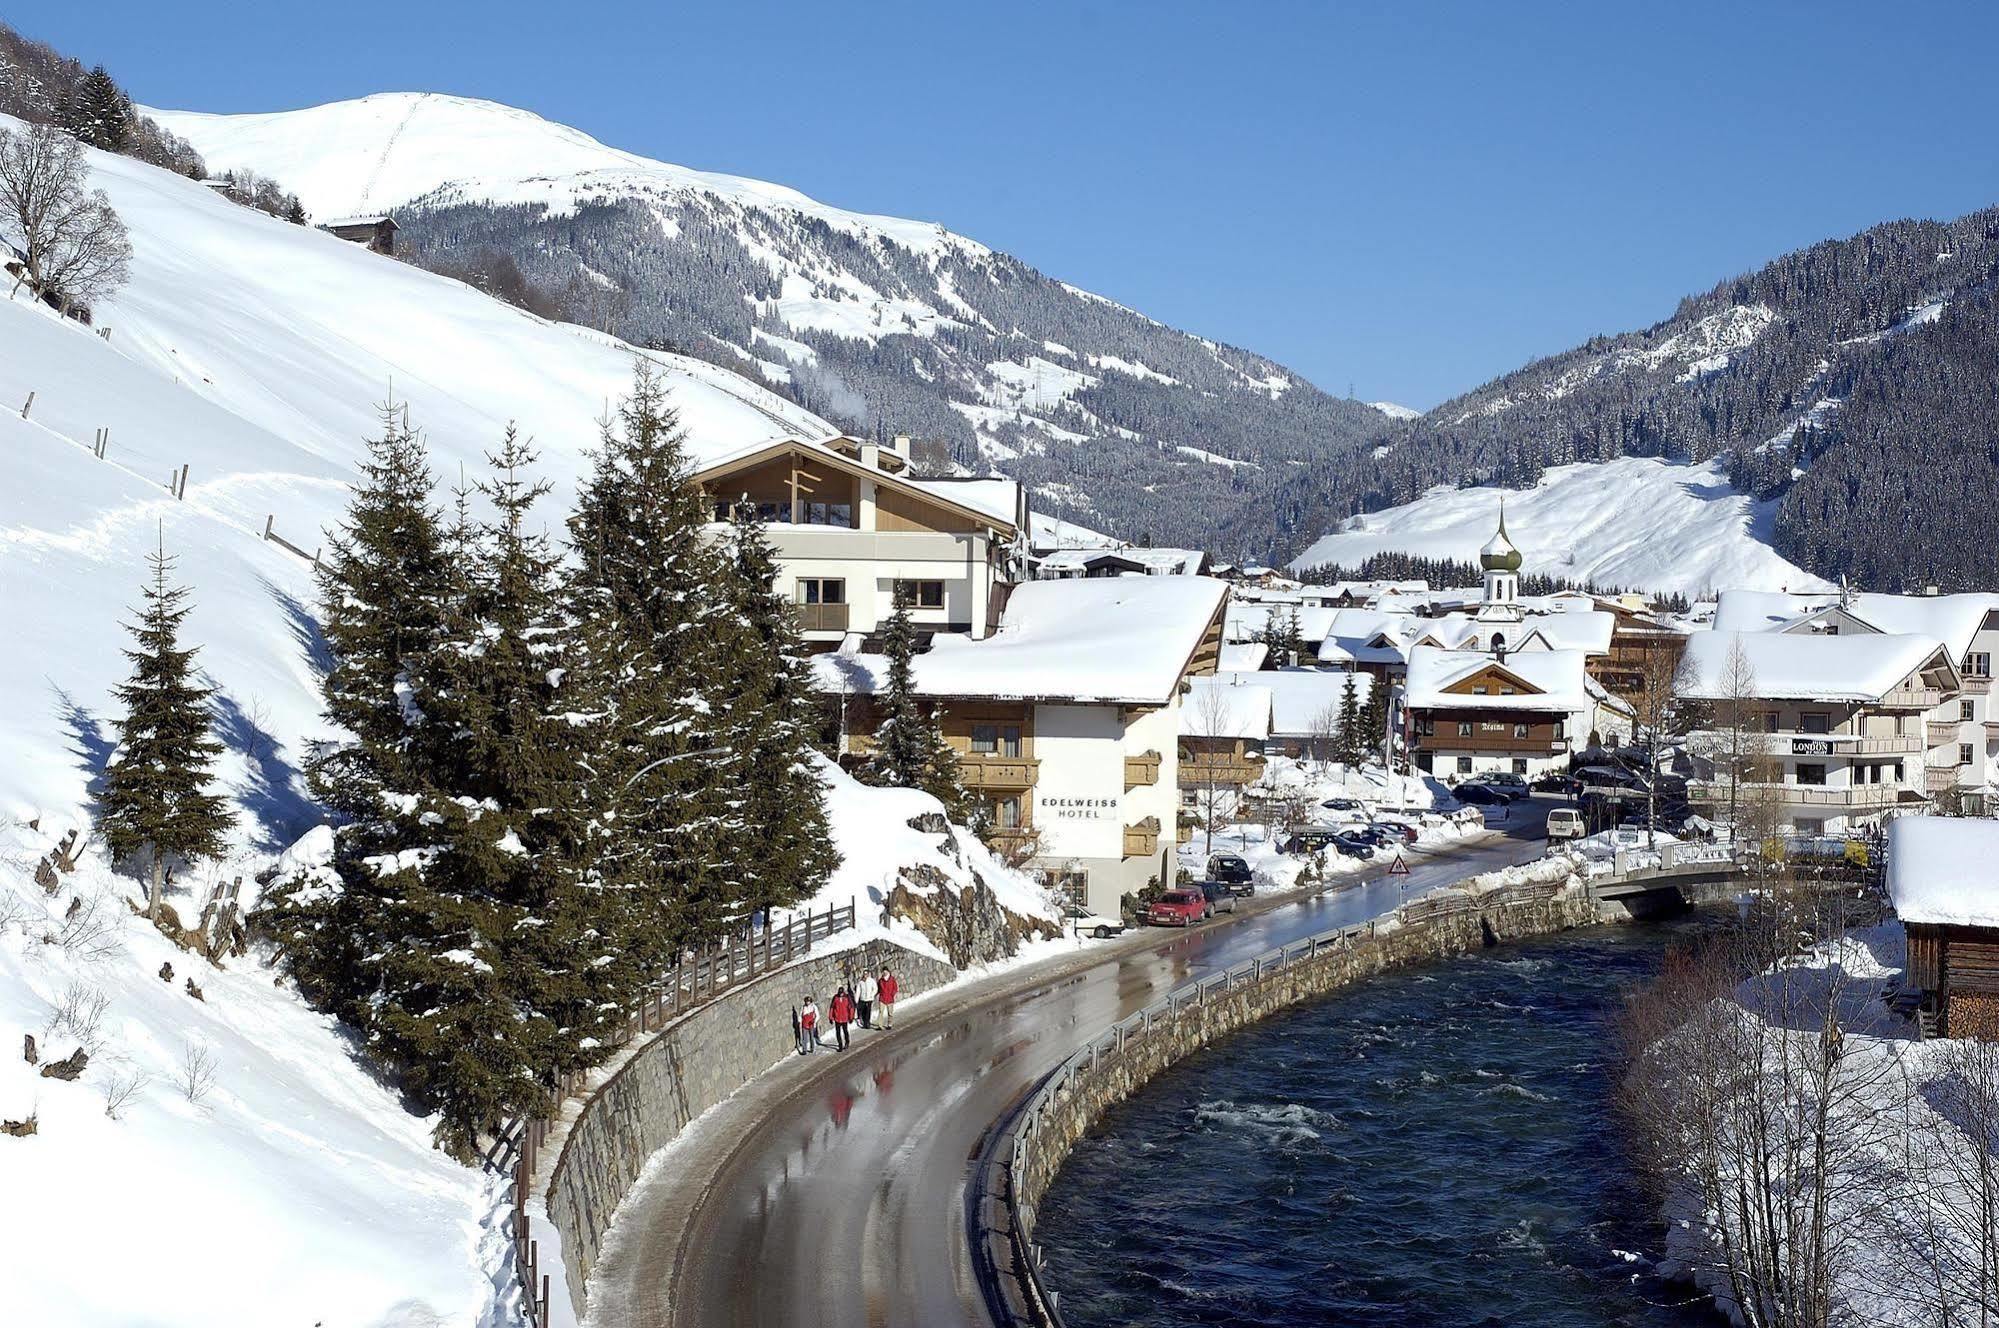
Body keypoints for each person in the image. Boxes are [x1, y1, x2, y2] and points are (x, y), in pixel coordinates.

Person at [829, 986, 855, 1051]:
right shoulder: (835, 998)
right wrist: (830, 1017)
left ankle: (847, 1042)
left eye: (842, 993)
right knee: (838, 1032)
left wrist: (851, 1017)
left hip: (844, 1018)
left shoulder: (847, 997)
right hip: (837, 1018)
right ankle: (840, 1045)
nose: (841, 994)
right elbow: (832, 1007)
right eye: (840, 993)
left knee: (845, 1031)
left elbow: (851, 1008)